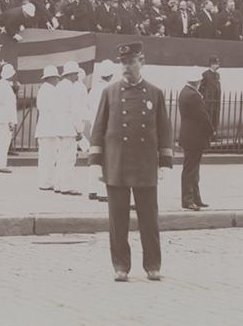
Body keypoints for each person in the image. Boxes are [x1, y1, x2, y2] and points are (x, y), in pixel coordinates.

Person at [89, 41, 173, 282]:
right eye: (123, 63)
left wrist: (164, 163)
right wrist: (96, 161)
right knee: (118, 220)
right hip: (117, 164)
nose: (126, 67)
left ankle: (153, 265)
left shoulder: (155, 93)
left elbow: (164, 129)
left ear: (141, 62)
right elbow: (98, 128)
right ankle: (121, 266)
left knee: (149, 219)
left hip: (145, 164)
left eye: (131, 62)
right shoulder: (110, 92)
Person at [178, 68, 215, 210]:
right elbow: (203, 116)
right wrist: (211, 130)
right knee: (191, 170)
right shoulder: (194, 95)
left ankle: (195, 198)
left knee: (192, 169)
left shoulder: (184, 92)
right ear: (197, 82)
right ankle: (188, 200)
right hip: (195, 137)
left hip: (189, 136)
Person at [54, 61, 85, 195]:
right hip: (69, 126)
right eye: (76, 73)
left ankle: (58, 184)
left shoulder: (59, 86)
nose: (77, 76)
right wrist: (79, 130)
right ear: (71, 74)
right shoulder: (72, 89)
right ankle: (66, 186)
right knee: (69, 158)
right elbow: (75, 111)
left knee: (60, 157)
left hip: (59, 125)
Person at [86, 59, 115, 202]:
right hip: (106, 128)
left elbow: (88, 106)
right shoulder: (110, 89)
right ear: (111, 74)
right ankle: (103, 192)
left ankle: (92, 189)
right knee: (106, 160)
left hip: (94, 127)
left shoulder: (94, 89)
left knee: (95, 159)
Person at [35, 65, 61, 191]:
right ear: (51, 78)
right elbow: (55, 109)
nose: (57, 80)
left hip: (45, 128)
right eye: (56, 77)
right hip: (49, 128)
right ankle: (46, 182)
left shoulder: (44, 89)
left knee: (46, 157)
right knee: (49, 157)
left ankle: (45, 181)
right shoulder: (50, 90)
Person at [0, 63, 17, 173]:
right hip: (5, 118)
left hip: (1, 117)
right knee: (3, 142)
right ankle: (1, 165)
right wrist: (11, 121)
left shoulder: (0, 85)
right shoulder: (4, 86)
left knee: (1, 142)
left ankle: (0, 164)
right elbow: (8, 105)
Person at [199, 56, 222, 134]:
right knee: (208, 121)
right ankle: (207, 136)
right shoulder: (205, 74)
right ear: (212, 64)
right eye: (217, 63)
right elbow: (200, 89)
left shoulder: (217, 75)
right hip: (208, 103)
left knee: (215, 121)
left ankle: (214, 136)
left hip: (216, 103)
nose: (219, 65)